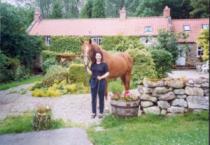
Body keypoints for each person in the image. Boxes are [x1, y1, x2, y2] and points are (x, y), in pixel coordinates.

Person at [86, 51, 109, 118]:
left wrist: (101, 77)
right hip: (93, 82)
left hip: (101, 82)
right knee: (93, 98)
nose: (98, 57)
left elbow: (107, 73)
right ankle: (93, 112)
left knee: (101, 97)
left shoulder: (104, 64)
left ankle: (101, 113)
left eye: (99, 56)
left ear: (101, 57)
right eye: (97, 56)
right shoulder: (93, 65)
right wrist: (87, 68)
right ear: (95, 57)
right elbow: (91, 73)